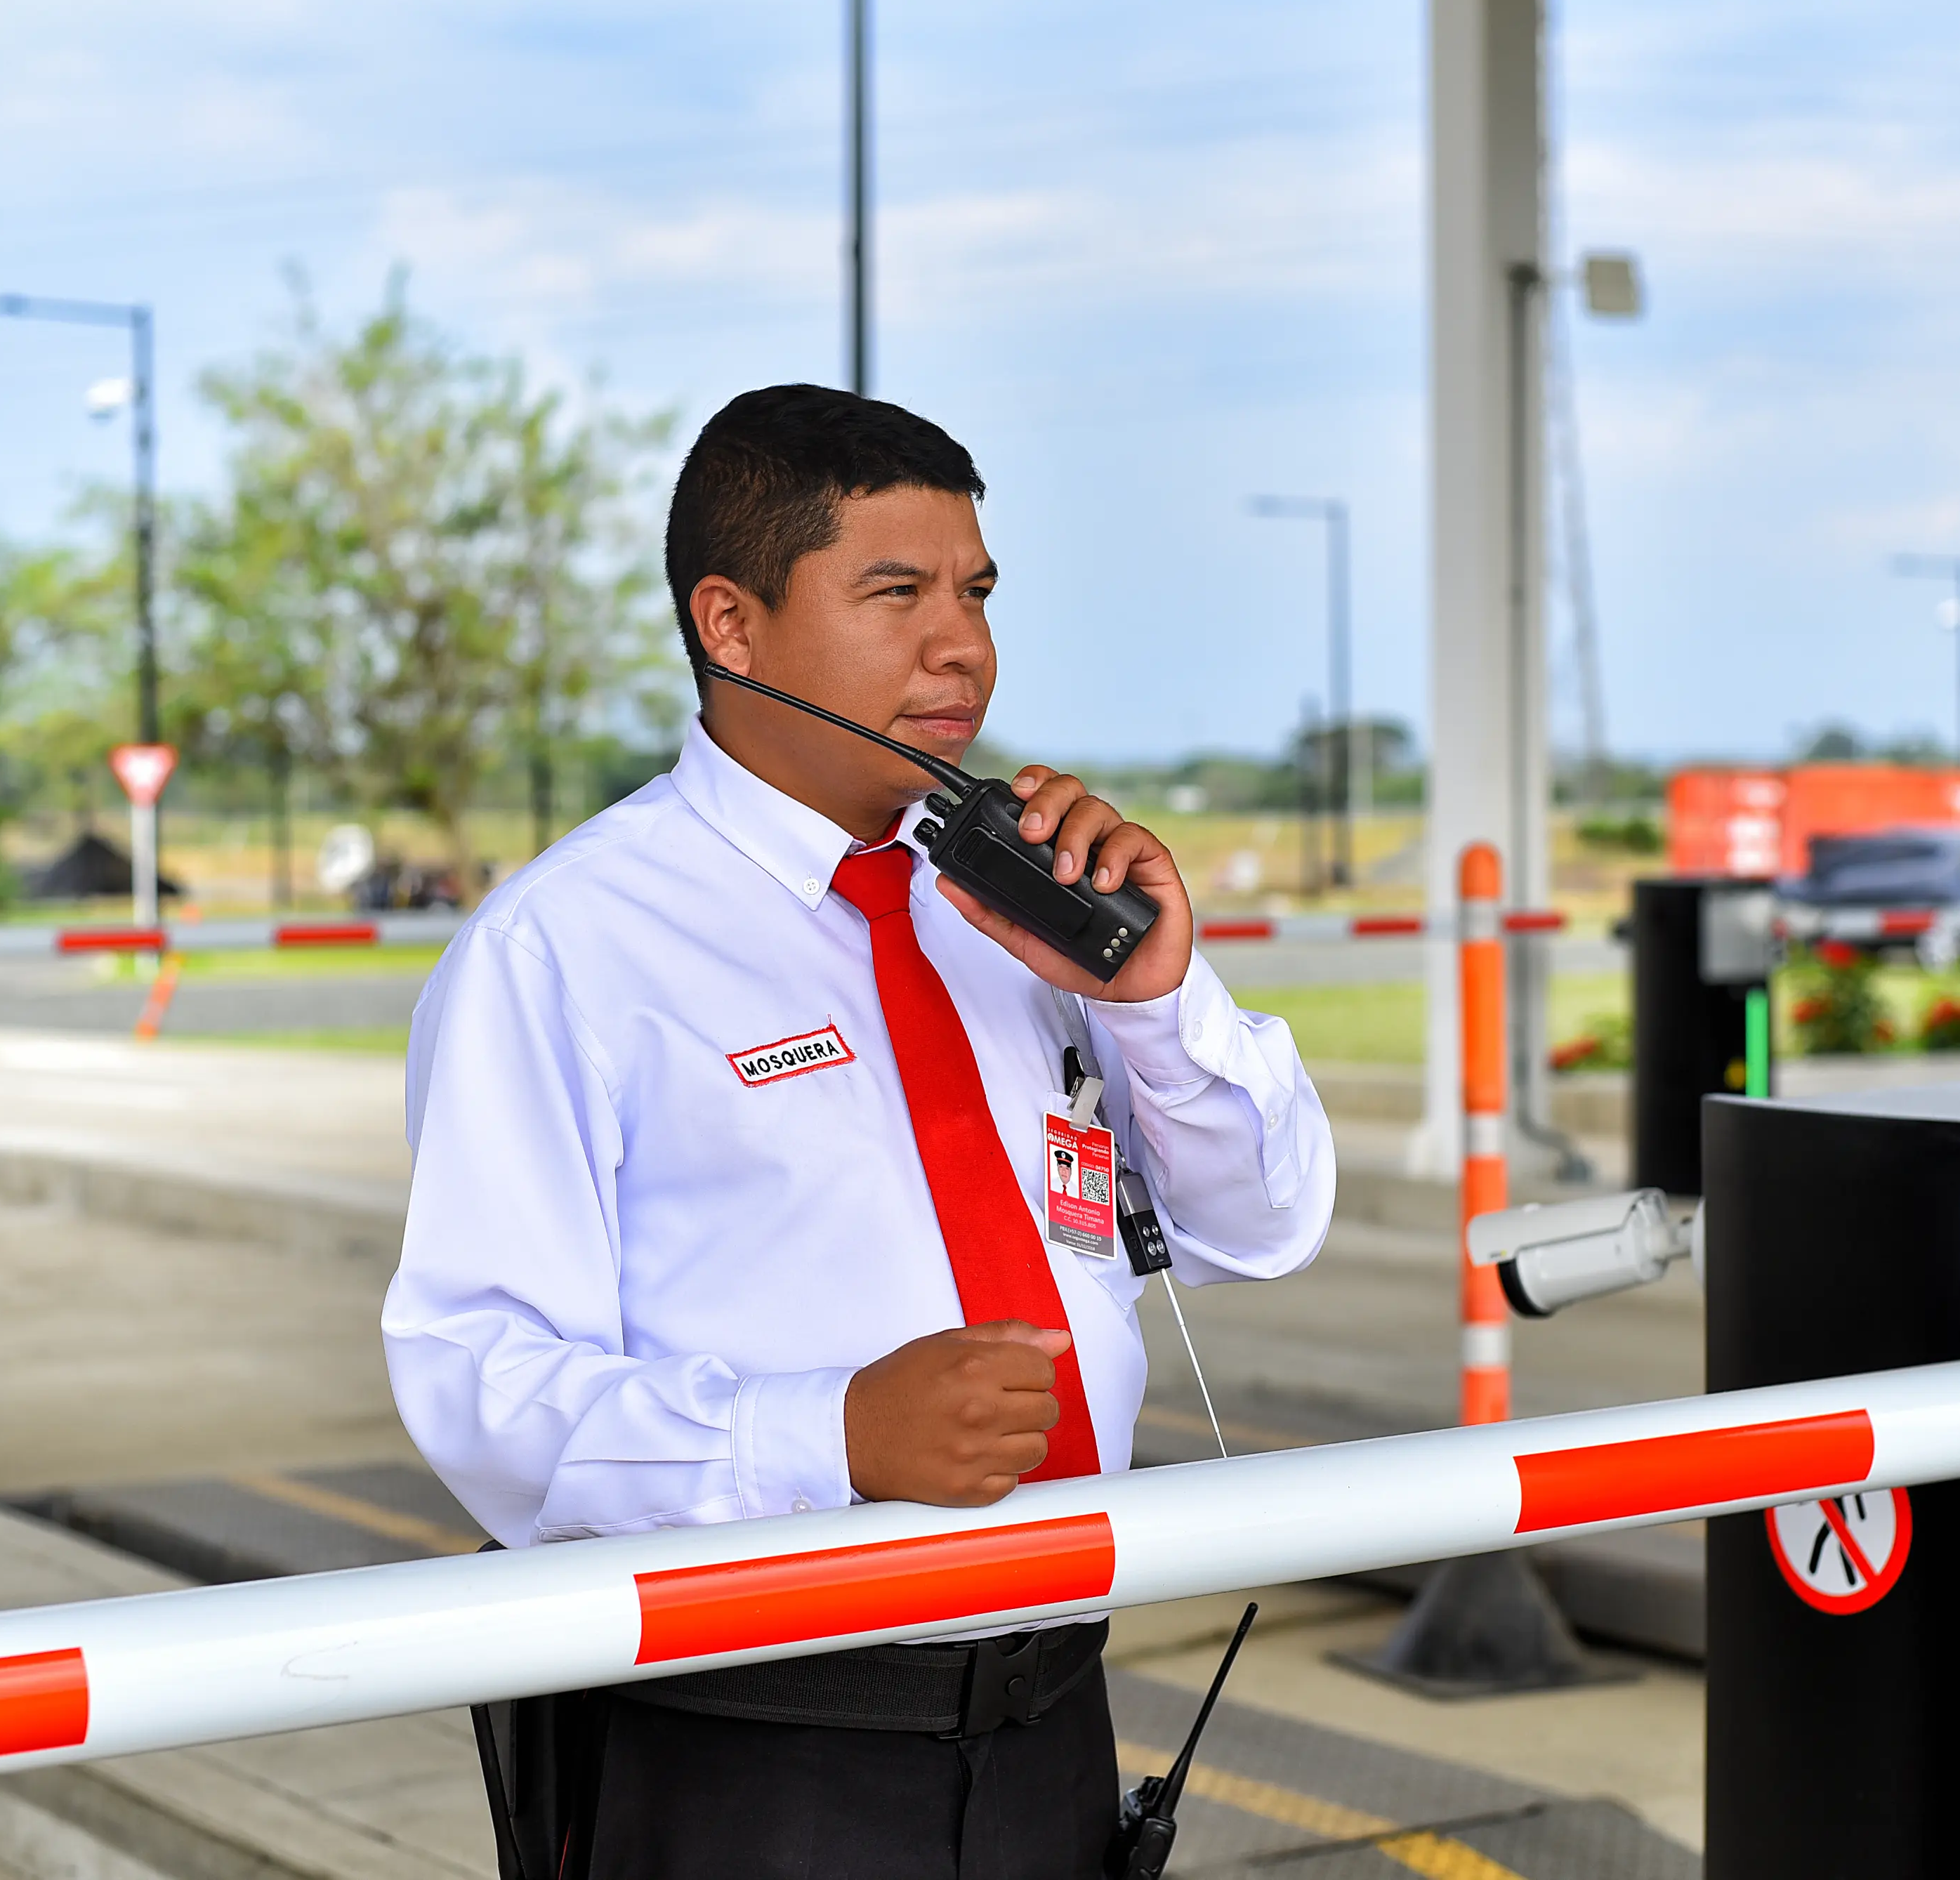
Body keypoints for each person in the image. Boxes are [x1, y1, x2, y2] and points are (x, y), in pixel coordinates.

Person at [384, 383, 1334, 1880]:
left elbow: (1258, 1225)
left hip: (1053, 1713)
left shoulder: (1011, 902)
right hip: (759, 1747)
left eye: (973, 591)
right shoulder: (563, 949)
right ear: (731, 623)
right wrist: (827, 1435)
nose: (959, 646)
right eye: (892, 592)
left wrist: (1154, 997)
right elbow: (481, 1384)